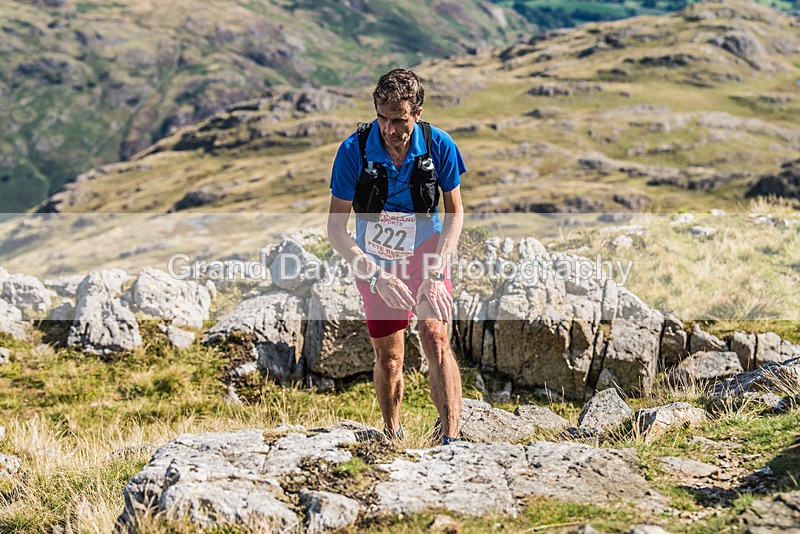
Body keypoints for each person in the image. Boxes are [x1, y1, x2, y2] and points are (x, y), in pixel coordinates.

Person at [326, 68, 466, 445]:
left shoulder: (440, 145)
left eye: (399, 120)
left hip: (425, 249)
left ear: (416, 114)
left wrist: (436, 271)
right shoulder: (352, 151)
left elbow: (454, 213)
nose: (389, 129)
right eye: (382, 118)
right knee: (390, 358)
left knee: (435, 335)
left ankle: (450, 440)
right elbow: (337, 230)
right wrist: (375, 276)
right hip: (375, 257)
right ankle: (393, 432)